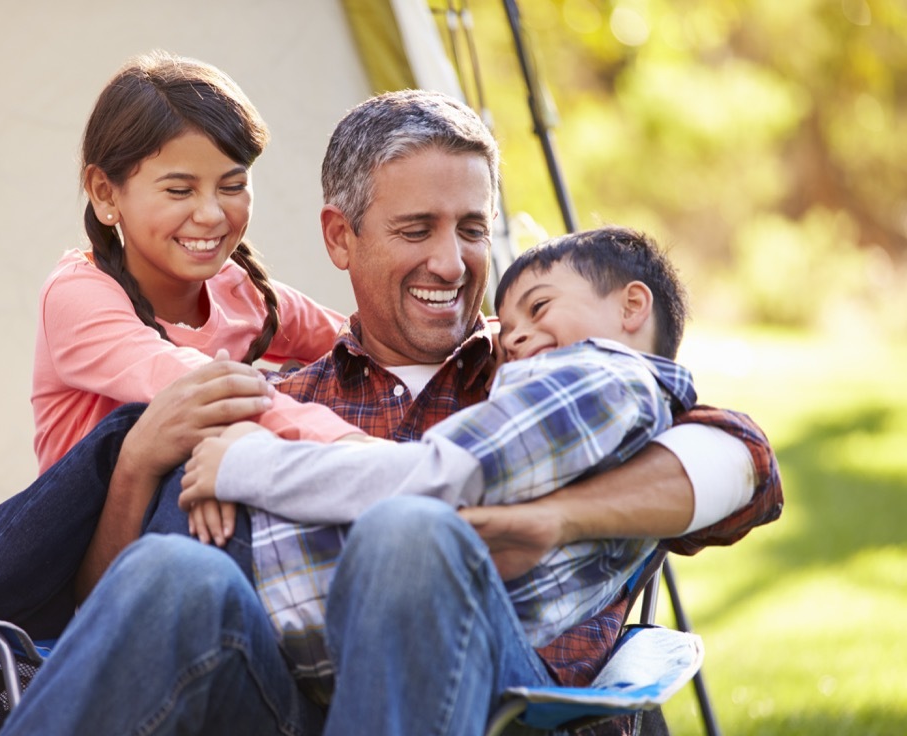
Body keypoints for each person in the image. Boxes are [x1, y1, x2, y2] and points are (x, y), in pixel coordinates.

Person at [0, 91, 782, 736]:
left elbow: (745, 460)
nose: (451, 263)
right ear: (340, 238)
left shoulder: (541, 374)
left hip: (512, 735)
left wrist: (556, 517)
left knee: (410, 532)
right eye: (416, 228)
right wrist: (138, 465)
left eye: (472, 229)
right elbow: (104, 616)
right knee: (172, 574)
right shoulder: (279, 406)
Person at [175, 226, 695, 691]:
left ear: (632, 306)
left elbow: (435, 478)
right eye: (414, 230)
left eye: (538, 307)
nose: (512, 338)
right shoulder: (628, 420)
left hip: (324, 605)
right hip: (339, 633)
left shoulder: (599, 381)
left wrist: (244, 463)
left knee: (163, 557)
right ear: (341, 236)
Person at [32, 49, 361, 475]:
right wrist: (352, 445)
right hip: (96, 515)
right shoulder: (77, 296)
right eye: (179, 190)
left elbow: (364, 345)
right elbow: (201, 388)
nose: (210, 214)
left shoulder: (241, 291)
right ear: (105, 193)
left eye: (232, 185)